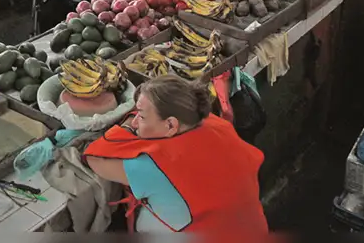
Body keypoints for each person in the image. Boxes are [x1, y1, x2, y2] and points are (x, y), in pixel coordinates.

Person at [84, 74, 267, 233]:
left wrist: (126, 126)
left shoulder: (152, 167)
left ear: (171, 125)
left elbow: (94, 159)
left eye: (142, 116)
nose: (135, 122)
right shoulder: (214, 123)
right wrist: (143, 114)